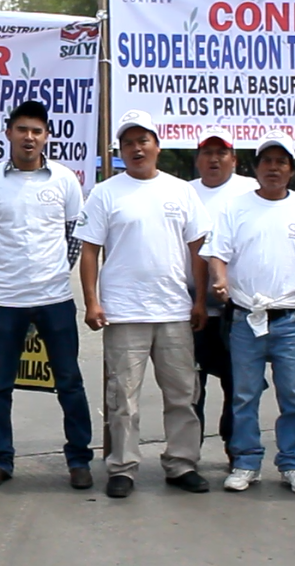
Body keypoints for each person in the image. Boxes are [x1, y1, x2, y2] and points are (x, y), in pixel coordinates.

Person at [79, 111, 212, 498]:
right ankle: (122, 467)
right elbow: (90, 250)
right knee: (123, 399)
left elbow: (198, 249)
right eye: (129, 143)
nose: (137, 149)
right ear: (121, 150)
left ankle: (182, 463)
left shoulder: (181, 191)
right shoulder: (106, 192)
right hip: (123, 312)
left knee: (183, 395)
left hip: (174, 310)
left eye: (144, 141)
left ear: (157, 145)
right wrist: (92, 302)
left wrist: (199, 299)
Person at [0, 100, 93, 491]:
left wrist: (52, 273)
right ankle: (1, 461)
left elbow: (75, 236)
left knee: (70, 382)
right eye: (22, 129)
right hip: (6, 301)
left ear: (46, 137)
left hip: (55, 298)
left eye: (37, 131)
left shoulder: (64, 180)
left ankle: (79, 459)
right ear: (9, 133)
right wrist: (9, 277)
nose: (29, 137)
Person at [203, 130, 295, 495]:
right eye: (267, 162)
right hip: (246, 317)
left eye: (281, 162)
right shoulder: (235, 207)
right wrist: (220, 280)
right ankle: (245, 461)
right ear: (255, 168)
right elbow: (217, 253)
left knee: (294, 396)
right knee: (244, 394)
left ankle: (294, 463)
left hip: (290, 318)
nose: (273, 168)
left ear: (291, 169)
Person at [187, 126, 258, 452]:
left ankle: (237, 449)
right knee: (190, 388)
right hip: (191, 308)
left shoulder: (251, 191)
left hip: (238, 309)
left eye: (221, 153)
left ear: (234, 159)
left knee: (238, 385)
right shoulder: (184, 192)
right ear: (198, 159)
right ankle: (188, 453)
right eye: (207, 153)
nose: (214, 159)